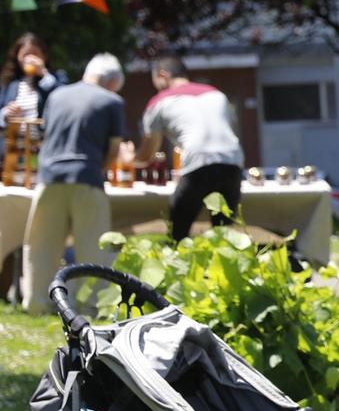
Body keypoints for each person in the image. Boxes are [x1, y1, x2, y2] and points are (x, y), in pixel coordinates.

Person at [22, 54, 126, 315]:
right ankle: (89, 306)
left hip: (48, 177)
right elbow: (114, 150)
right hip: (87, 177)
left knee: (42, 245)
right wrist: (98, 170)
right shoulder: (112, 101)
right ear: (112, 81)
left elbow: (46, 135)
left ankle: (37, 303)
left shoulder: (57, 95)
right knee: (93, 247)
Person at [138, 55, 246, 241]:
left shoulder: (159, 101)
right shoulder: (217, 94)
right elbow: (231, 129)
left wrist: (129, 159)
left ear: (162, 75)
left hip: (199, 163)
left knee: (178, 232)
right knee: (223, 234)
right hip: (233, 161)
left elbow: (148, 153)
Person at [2, 33, 65, 131]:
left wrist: (44, 74)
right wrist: (6, 113)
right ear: (17, 57)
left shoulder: (56, 77)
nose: (30, 59)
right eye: (25, 55)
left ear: (44, 56)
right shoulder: (9, 81)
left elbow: (64, 99)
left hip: (41, 143)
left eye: (35, 54)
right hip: (13, 143)